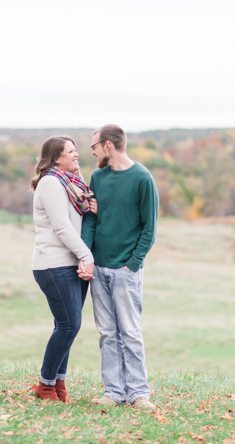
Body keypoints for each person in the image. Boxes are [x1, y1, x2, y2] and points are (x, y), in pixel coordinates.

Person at [80, 124, 159, 410]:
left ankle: (139, 394)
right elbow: (90, 218)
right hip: (99, 268)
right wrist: (86, 255)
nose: (92, 152)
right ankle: (113, 392)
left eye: (94, 146)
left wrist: (132, 264)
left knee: (130, 332)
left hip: (126, 270)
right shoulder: (98, 177)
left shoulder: (142, 179)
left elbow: (149, 229)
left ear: (108, 146)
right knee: (107, 333)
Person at [30, 135, 97, 402]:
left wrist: (94, 208)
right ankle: (45, 386)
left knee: (66, 326)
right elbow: (61, 227)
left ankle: (58, 385)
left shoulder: (72, 184)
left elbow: (78, 222)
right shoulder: (50, 183)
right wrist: (86, 255)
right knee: (69, 326)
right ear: (57, 157)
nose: (77, 155)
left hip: (71, 263)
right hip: (53, 264)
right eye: (71, 151)